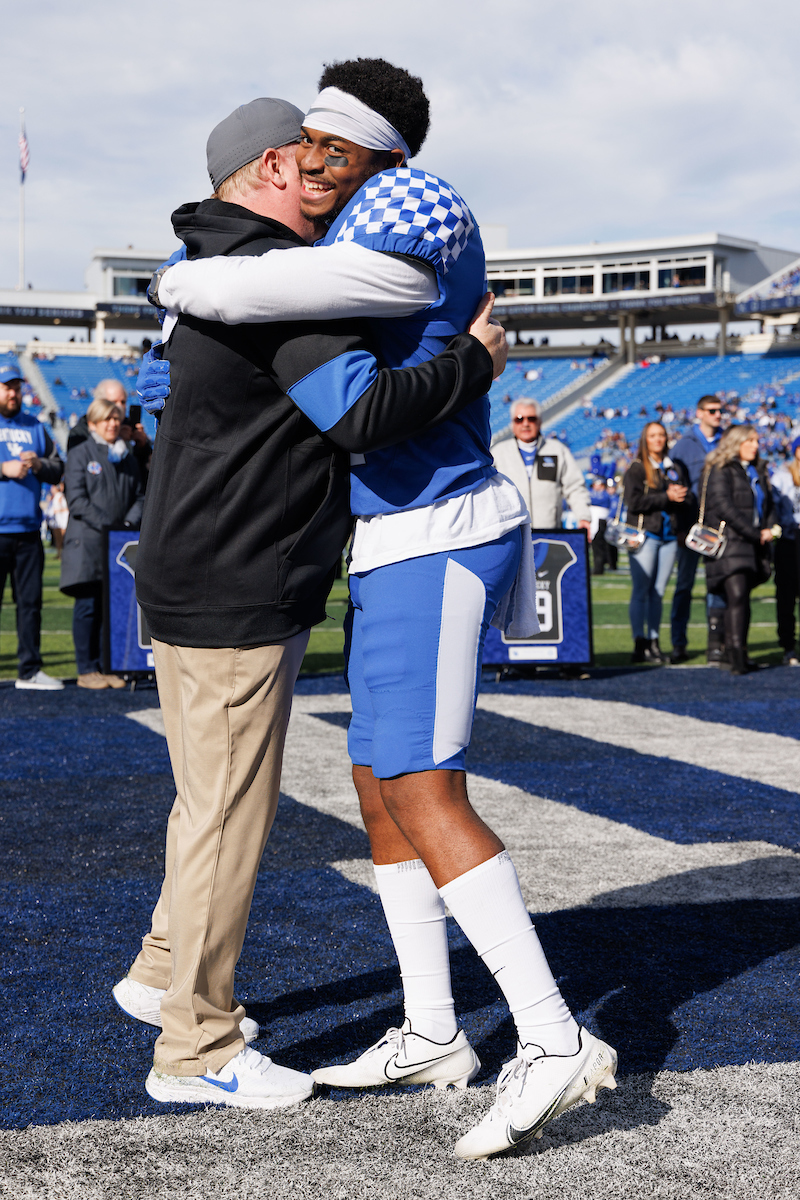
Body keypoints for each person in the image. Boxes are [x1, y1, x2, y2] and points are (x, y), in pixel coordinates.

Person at [154, 59, 617, 1159]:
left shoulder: (409, 202)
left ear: (385, 156)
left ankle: (551, 1042)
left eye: (334, 146)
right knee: (375, 784)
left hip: (437, 523)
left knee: (417, 780)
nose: (314, 161)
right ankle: (430, 1028)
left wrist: (187, 280)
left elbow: (271, 305)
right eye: (306, 143)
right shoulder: (354, 215)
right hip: (396, 532)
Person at [115, 95, 506, 1115]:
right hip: (236, 577)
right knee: (228, 821)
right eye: (308, 163)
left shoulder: (227, 266)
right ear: (269, 169)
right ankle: (194, 1049)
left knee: (205, 803)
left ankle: (161, 971)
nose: (328, 183)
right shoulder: (269, 282)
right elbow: (365, 412)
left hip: (209, 565)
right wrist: (472, 359)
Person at [60, 397, 144, 689]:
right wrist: (110, 526)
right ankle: (86, 670)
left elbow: (139, 496)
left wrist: (125, 525)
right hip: (88, 545)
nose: (112, 424)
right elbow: (77, 501)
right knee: (88, 607)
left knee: (111, 609)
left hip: (117, 543)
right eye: (106, 419)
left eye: (116, 419)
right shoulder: (80, 454)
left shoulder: (127, 456)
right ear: (93, 423)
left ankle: (108, 666)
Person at [0, 361, 64, 690]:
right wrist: (3, 468)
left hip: (27, 531)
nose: (13, 393)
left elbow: (58, 467)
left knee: (31, 605)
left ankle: (29, 670)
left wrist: (38, 463)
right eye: (6, 387)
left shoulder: (36, 426)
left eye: (16, 386)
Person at [704, 425, 774, 675]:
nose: (756, 445)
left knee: (742, 599)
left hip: (751, 544)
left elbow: (767, 504)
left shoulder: (757, 470)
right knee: (736, 597)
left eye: (756, 440)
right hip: (731, 543)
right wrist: (755, 533)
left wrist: (768, 528)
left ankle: (741, 651)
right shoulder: (722, 469)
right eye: (750, 440)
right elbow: (723, 505)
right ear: (737, 443)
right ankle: (734, 654)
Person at [623, 422, 692, 663]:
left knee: (658, 592)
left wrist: (683, 496)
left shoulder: (674, 466)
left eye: (661, 435)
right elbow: (633, 502)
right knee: (641, 590)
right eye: (653, 435)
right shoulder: (637, 468)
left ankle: (654, 641)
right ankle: (639, 642)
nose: (658, 439)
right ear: (645, 439)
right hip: (646, 535)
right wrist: (666, 497)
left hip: (669, 535)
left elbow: (688, 494)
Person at [670, 395, 724, 664]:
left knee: (716, 585)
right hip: (690, 527)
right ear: (699, 413)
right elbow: (675, 489)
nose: (718, 415)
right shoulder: (682, 446)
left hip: (719, 526)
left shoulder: (727, 441)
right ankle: (678, 642)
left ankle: (716, 642)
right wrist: (679, 526)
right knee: (684, 585)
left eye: (720, 411)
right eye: (713, 411)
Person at [491, 399, 591, 532]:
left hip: (549, 534)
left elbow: (575, 487)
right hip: (512, 536)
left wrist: (583, 516)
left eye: (531, 418)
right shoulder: (498, 453)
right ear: (512, 423)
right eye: (519, 419)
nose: (525, 424)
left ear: (539, 421)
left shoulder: (558, 450)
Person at [68, 379, 151, 484]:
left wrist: (142, 446)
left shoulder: (129, 426)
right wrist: (114, 438)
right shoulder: (80, 431)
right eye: (113, 402)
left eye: (123, 402)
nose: (119, 406)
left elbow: (143, 472)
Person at [771, 435, 800, 665]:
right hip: (789, 540)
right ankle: (788, 646)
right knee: (786, 597)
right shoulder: (781, 476)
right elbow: (773, 508)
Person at [589, 477, 617, 575]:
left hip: (601, 521)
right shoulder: (594, 493)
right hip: (593, 521)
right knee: (595, 546)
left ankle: (599, 568)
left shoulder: (605, 495)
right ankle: (597, 567)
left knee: (599, 546)